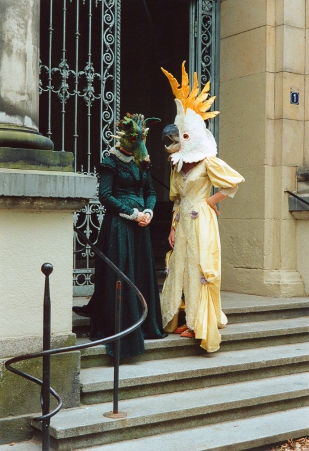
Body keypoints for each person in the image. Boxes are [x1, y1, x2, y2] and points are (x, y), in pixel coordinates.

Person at [160, 62, 245, 353]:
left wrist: (209, 202)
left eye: (183, 137)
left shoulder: (209, 161)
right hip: (183, 220)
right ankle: (184, 317)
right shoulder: (178, 165)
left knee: (200, 268)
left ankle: (201, 323)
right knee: (180, 267)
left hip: (202, 221)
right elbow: (176, 198)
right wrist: (172, 226)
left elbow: (233, 182)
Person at [74, 113, 167, 359]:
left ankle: (145, 324)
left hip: (140, 227)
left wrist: (148, 211)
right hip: (119, 225)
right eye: (136, 138)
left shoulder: (142, 162)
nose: (140, 144)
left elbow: (150, 192)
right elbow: (105, 196)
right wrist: (132, 213)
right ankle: (121, 329)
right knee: (121, 274)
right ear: (126, 138)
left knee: (140, 272)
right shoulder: (110, 162)